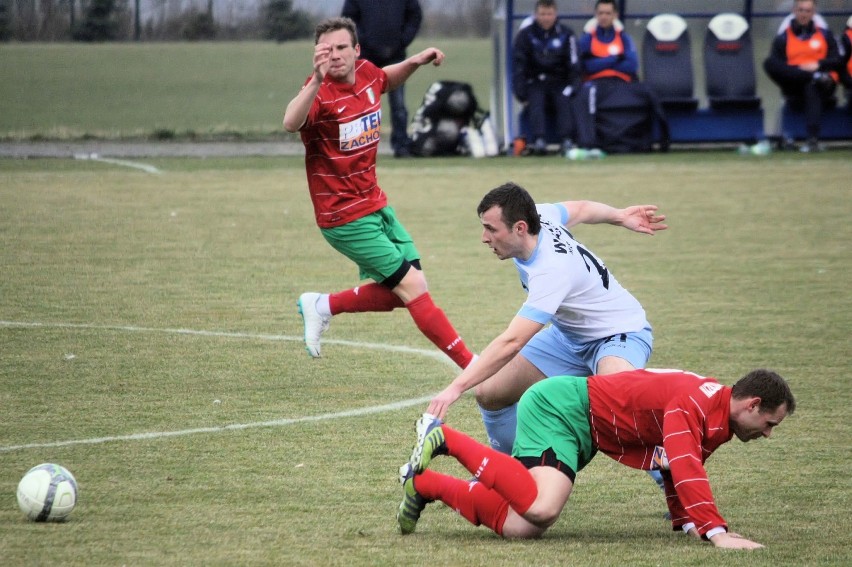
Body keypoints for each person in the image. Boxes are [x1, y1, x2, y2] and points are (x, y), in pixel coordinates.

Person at [398, 368, 796, 550]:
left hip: (582, 427)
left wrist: (690, 524)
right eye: (769, 423)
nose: (768, 433)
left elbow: (677, 465)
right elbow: (687, 466)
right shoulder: (694, 402)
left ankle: (425, 484)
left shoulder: (717, 415)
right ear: (753, 404)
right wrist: (717, 532)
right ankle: (444, 437)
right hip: (562, 408)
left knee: (522, 527)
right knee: (541, 506)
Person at [283, 17, 475, 370]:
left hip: (375, 204)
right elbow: (290, 122)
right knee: (413, 286)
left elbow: (385, 78)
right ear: (317, 54)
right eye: (327, 49)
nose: (335, 55)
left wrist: (414, 62)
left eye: (342, 47)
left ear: (356, 50)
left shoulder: (368, 73)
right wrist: (316, 79)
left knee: (405, 290)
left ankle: (322, 305)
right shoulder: (318, 92)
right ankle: (473, 366)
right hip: (343, 216)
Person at [426, 182, 666, 458]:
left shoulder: (550, 271)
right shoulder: (538, 216)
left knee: (619, 408)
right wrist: (620, 216)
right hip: (569, 338)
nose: (484, 237)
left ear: (519, 228)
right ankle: (511, 472)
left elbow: (512, 341)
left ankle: (674, 474)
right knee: (490, 391)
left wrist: (454, 388)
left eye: (491, 229)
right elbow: (582, 209)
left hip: (619, 336)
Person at [341, 0, 423, 158]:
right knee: (362, 104)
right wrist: (363, 41)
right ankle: (359, 147)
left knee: (398, 105)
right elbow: (349, 19)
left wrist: (402, 40)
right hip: (366, 56)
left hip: (396, 54)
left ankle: (401, 146)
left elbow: (415, 16)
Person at [763, 0, 842, 152]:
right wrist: (803, 72)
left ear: (813, 13)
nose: (803, 14)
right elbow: (776, 65)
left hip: (823, 83)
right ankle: (811, 76)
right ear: (794, 11)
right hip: (794, 82)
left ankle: (812, 140)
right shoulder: (783, 38)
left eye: (807, 11)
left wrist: (819, 64)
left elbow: (837, 60)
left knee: (812, 85)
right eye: (800, 10)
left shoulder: (825, 35)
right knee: (769, 63)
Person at [513, 0, 580, 156]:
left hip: (560, 81)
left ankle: (566, 140)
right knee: (535, 97)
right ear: (536, 15)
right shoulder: (526, 35)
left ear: (555, 14)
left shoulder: (566, 34)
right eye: (542, 14)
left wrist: (574, 87)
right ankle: (538, 140)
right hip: (536, 81)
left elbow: (575, 65)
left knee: (564, 97)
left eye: (549, 14)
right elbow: (519, 66)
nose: (546, 18)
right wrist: (520, 92)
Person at [578, 0, 639, 84]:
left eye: (608, 13)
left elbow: (632, 66)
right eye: (601, 13)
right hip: (595, 84)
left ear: (615, 15)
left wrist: (599, 62)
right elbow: (586, 67)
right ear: (596, 14)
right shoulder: (587, 39)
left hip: (621, 84)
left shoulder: (625, 38)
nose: (604, 17)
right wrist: (616, 59)